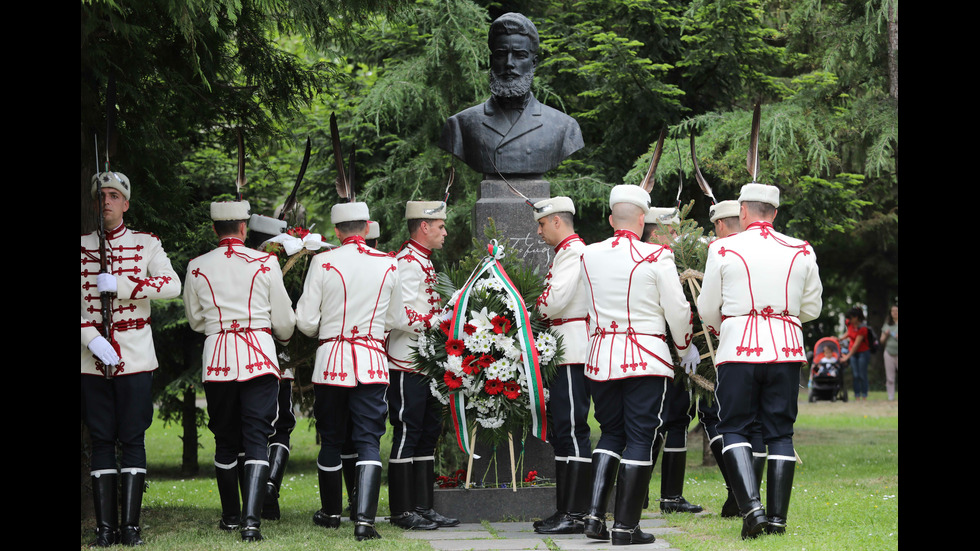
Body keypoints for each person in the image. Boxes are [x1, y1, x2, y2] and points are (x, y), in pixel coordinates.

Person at [698, 183, 822, 539]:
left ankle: (751, 509)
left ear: (743, 212)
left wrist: (730, 324)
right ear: (776, 213)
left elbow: (708, 306)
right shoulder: (801, 249)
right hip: (785, 348)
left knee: (734, 426)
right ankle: (778, 519)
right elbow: (812, 307)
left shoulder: (722, 247)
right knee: (780, 432)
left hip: (738, 347)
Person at [579, 185, 697, 545]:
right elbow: (677, 310)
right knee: (641, 438)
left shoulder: (587, 254)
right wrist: (683, 345)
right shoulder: (656, 257)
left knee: (611, 433)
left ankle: (595, 518)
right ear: (643, 219)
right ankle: (626, 528)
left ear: (612, 218)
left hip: (601, 358)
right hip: (646, 358)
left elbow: (585, 304)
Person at [183, 200, 296, 542]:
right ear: (244, 228)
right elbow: (285, 323)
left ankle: (231, 516)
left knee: (224, 440)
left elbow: (195, 320)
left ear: (215, 229)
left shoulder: (197, 266)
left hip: (218, 359)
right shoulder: (265, 263)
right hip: (259, 358)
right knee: (258, 439)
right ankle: (251, 523)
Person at [81, 171, 182, 547]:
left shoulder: (146, 244)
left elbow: (172, 285)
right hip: (91, 360)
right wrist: (90, 338)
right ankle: (105, 529)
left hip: (136, 356)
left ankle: (131, 527)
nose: (105, 201)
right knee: (102, 438)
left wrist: (123, 285)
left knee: (133, 438)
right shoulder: (82, 246)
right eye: (100, 195)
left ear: (125, 203)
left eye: (112, 195)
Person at [296, 201, 403, 541]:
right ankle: (365, 522)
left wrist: (325, 329)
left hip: (332, 361)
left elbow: (307, 321)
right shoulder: (388, 263)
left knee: (331, 438)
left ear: (337, 232)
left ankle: (330, 514)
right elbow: (395, 318)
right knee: (369, 440)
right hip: (371, 360)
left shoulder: (323, 261)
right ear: (368, 227)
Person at [385, 201, 458, 531]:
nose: (445, 231)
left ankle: (424, 506)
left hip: (427, 361)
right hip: (405, 361)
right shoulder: (404, 263)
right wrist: (437, 320)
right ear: (423, 227)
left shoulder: (424, 262)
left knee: (428, 434)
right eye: (440, 226)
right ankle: (402, 510)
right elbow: (397, 316)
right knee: (407, 432)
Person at [438, 12, 583, 177]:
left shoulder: (565, 127)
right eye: (501, 55)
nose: (509, 64)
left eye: (519, 55)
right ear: (492, 60)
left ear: (533, 63)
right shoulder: (460, 125)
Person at [529, 197, 592, 535]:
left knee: (572, 430)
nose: (538, 231)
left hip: (573, 349)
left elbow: (553, 301)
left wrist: (530, 309)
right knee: (565, 432)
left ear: (556, 221)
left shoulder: (574, 253)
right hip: (565, 347)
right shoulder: (567, 253)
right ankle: (567, 509)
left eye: (542, 224)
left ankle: (577, 513)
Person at [702, 199, 766, 518]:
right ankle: (744, 497)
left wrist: (718, 329)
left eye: (716, 225)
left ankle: (742, 497)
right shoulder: (765, 249)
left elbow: (708, 305)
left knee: (729, 421)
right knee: (754, 423)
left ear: (723, 224)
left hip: (731, 346)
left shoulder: (722, 252)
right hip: (771, 350)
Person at [639, 207, 704, 515]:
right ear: (656, 232)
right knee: (653, 423)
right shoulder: (652, 261)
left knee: (678, 418)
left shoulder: (674, 261)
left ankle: (670, 496)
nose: (677, 238)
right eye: (672, 232)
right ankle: (637, 492)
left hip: (674, 351)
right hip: (657, 351)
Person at [840, 307, 871, 401]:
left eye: (851, 317)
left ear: (856, 317)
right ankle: (857, 395)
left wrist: (846, 358)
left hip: (862, 352)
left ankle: (864, 395)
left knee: (862, 374)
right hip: (852, 352)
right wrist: (839, 339)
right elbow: (849, 333)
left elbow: (855, 346)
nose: (849, 319)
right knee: (855, 375)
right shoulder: (849, 323)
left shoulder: (863, 328)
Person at [880, 304, 898, 401]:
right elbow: (881, 340)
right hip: (889, 352)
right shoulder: (887, 325)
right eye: (893, 311)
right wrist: (886, 335)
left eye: (896, 311)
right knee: (890, 377)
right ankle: (891, 397)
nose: (895, 313)